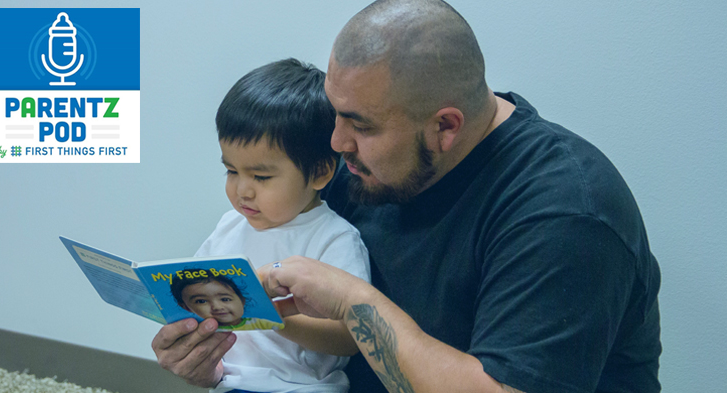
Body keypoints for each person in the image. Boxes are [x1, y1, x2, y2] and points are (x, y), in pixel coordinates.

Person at [155, 1, 662, 392]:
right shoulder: (359, 161)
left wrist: (356, 302)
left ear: (445, 127)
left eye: (360, 124)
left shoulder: (566, 213)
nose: (335, 142)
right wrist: (210, 360)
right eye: (336, 112)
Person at [155, 58, 371, 393]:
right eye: (231, 171)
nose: (243, 189)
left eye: (261, 176)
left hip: (300, 388)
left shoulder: (334, 238)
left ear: (320, 173)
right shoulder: (230, 227)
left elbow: (350, 338)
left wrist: (271, 315)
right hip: (229, 382)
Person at [170, 268, 284, 331]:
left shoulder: (262, 323)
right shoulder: (194, 329)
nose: (217, 307)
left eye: (225, 299)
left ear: (242, 300)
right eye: (201, 301)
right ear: (186, 307)